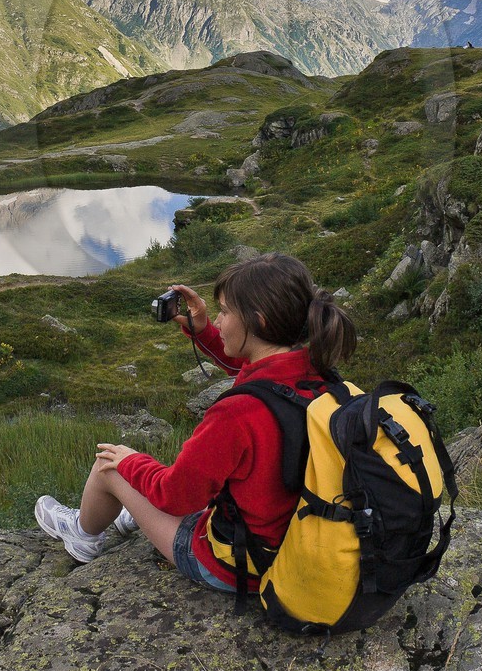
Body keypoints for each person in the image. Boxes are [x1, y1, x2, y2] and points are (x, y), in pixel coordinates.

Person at [34, 253, 356, 596]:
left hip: (236, 565)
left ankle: (82, 534)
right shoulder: (317, 374)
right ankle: (133, 512)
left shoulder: (237, 412)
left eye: (225, 312)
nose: (218, 320)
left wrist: (131, 461)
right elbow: (247, 367)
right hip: (292, 540)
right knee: (195, 472)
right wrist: (202, 330)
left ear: (259, 322)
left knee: (109, 466)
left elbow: (175, 497)